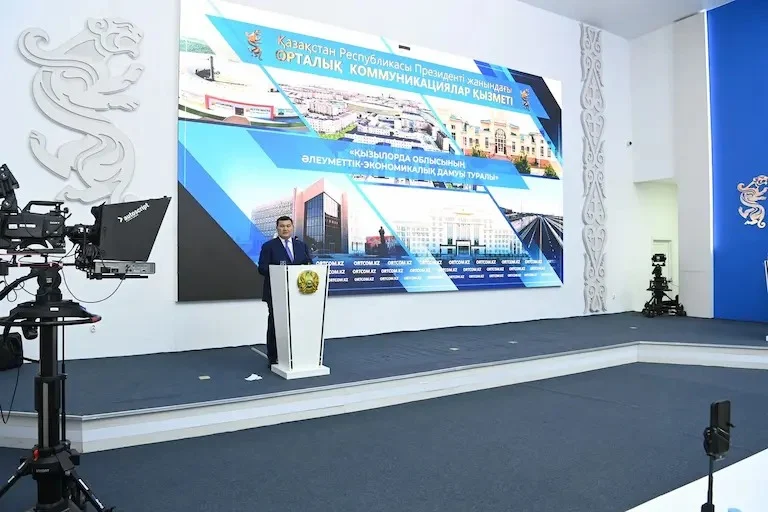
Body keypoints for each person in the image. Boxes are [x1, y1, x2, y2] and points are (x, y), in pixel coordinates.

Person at [257, 216, 313, 365]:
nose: (285, 229)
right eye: (282, 226)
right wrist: (280, 271)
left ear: (292, 227)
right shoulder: (269, 246)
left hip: (298, 293)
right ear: (277, 228)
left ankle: (297, 354)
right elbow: (262, 268)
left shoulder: (301, 246)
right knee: (275, 324)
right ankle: (273, 357)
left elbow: (309, 264)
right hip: (276, 293)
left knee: (298, 323)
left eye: (288, 226)